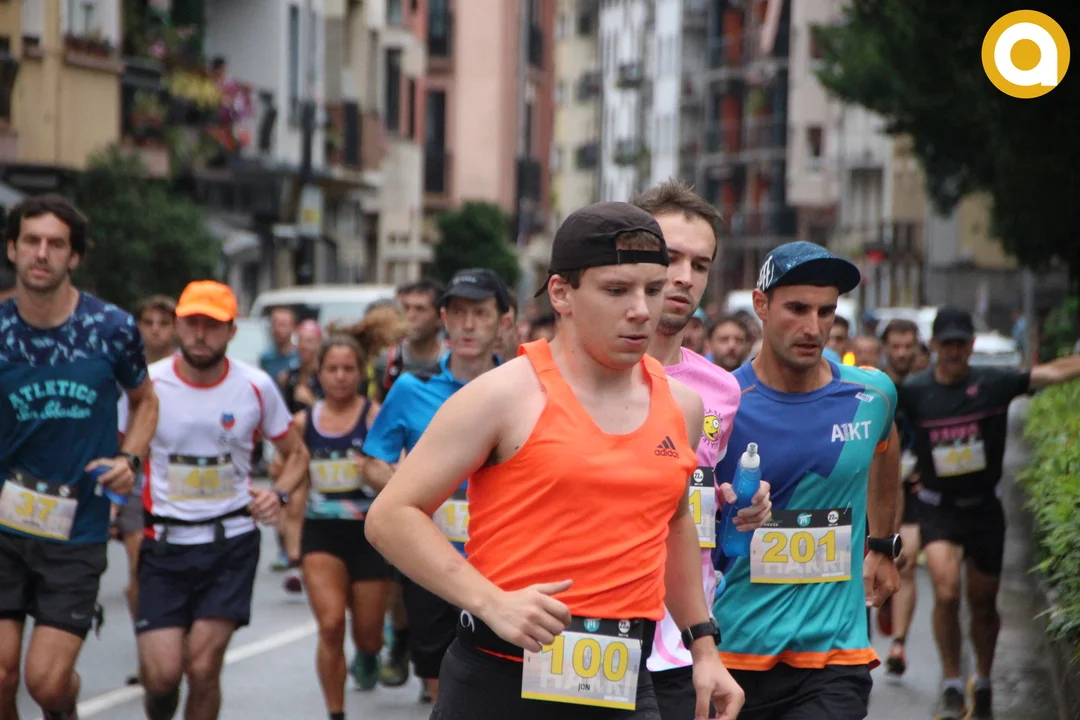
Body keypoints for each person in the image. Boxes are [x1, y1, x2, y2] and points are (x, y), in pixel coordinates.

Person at [366, 202, 746, 720]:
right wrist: (490, 601)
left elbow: (676, 521)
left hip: (622, 683)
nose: (642, 310)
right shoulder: (503, 395)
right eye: (617, 290)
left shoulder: (682, 405)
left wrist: (703, 647)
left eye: (653, 290)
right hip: (500, 682)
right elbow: (390, 516)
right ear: (562, 293)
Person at [712, 241, 902, 720]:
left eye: (825, 312)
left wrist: (882, 544)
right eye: (796, 309)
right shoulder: (721, 406)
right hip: (731, 652)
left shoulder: (871, 394)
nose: (813, 328)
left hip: (834, 656)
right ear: (761, 305)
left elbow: (884, 446)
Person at [0, 194, 159, 720]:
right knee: (0, 676)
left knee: (46, 684)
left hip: (77, 527)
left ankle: (63, 707)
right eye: (31, 241)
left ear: (74, 256)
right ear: (12, 249)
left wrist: (129, 460)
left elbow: (145, 401)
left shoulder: (110, 328)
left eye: (56, 243)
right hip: (2, 525)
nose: (41, 253)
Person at [128, 280, 308, 720]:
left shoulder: (256, 386)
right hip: (165, 544)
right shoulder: (149, 385)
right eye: (192, 323)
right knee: (162, 678)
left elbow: (298, 454)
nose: (200, 334)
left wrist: (279, 494)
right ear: (177, 327)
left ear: (231, 331)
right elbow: (118, 448)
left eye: (212, 325)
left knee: (203, 667)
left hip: (231, 542)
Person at [897, 307, 1080, 720]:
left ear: (972, 345)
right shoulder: (915, 392)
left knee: (982, 602)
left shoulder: (993, 384)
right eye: (947, 343)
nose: (954, 351)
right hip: (937, 508)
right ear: (934, 345)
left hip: (983, 509)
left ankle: (982, 677)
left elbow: (1051, 373)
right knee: (946, 591)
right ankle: (950, 681)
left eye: (961, 343)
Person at [634, 181, 772, 720]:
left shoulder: (721, 390)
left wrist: (745, 506)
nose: (684, 277)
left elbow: (702, 500)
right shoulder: (578, 380)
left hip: (683, 644)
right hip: (590, 633)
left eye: (700, 264)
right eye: (670, 258)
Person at [362, 268, 510, 704]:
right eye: (458, 313)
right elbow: (372, 463)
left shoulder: (524, 388)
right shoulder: (413, 387)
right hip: (432, 563)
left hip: (504, 566)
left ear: (504, 321)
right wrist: (410, 494)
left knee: (496, 688)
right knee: (440, 687)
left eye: (480, 314)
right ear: (444, 319)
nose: (468, 325)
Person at [296, 313, 405, 717]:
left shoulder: (376, 418)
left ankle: (371, 652)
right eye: (332, 369)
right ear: (319, 373)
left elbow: (400, 475)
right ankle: (336, 712)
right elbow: (293, 474)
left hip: (369, 535)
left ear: (360, 373)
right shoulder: (303, 422)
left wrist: (375, 471)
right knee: (329, 626)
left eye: (348, 369)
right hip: (321, 534)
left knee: (368, 636)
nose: (340, 377)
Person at [114, 294, 178, 686]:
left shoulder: (189, 371)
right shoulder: (126, 373)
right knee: (142, 568)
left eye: (163, 323)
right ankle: (148, 655)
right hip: (139, 484)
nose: (155, 331)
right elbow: (119, 436)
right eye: (148, 323)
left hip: (183, 488)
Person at [873, 318, 921, 678]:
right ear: (885, 348)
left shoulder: (927, 388)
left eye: (909, 346)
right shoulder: (874, 389)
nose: (902, 353)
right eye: (896, 346)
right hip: (874, 488)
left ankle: (899, 644)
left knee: (906, 558)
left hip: (915, 489)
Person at [373, 279, 444, 403]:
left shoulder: (453, 361)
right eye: (406, 308)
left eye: (420, 309)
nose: (410, 316)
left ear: (440, 317)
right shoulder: (386, 359)